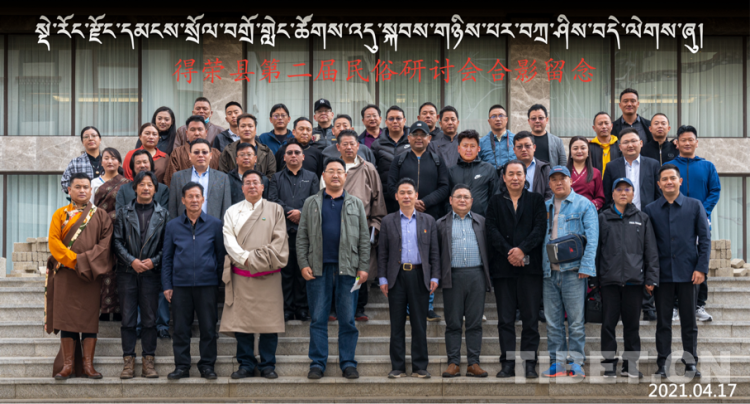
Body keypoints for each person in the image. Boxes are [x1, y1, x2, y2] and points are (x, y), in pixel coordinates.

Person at [297, 158, 371, 380]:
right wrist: (303, 264)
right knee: (318, 318)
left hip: (348, 269)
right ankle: (317, 363)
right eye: (331, 171)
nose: (336, 175)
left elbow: (364, 238)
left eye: (340, 171)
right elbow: (302, 237)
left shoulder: (356, 203)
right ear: (324, 176)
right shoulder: (311, 202)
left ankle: (348, 363)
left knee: (347, 319)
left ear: (345, 176)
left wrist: (363, 266)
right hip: (317, 268)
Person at [221, 170, 289, 380]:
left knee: (269, 322)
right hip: (241, 274)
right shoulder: (232, 211)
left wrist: (254, 260)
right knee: (243, 323)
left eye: (255, 183)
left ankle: (268, 364)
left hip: (269, 276)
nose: (252, 186)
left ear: (262, 187)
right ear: (242, 188)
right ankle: (246, 364)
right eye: (247, 183)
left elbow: (279, 242)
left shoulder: (275, 210)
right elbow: (229, 241)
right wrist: (246, 259)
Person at [644, 164, 710, 378]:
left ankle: (690, 363)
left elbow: (705, 239)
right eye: (664, 179)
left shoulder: (695, 205)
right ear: (659, 184)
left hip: (689, 274)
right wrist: (650, 275)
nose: (669, 182)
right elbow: (647, 245)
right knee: (663, 323)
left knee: (689, 322)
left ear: (680, 181)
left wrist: (701, 268)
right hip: (662, 275)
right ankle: (662, 363)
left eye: (672, 178)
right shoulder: (651, 209)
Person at [46, 172, 114, 380]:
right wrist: (75, 261)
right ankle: (68, 366)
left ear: (91, 190)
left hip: (89, 275)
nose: (82, 190)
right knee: (66, 319)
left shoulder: (101, 215)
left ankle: (88, 366)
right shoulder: (60, 214)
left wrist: (83, 262)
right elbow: (54, 243)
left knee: (88, 320)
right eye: (78, 187)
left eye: (86, 187)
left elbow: (105, 246)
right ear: (69, 190)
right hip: (66, 275)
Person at [486, 160, 547, 379]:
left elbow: (540, 229)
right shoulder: (495, 201)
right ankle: (508, 364)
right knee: (505, 320)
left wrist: (522, 250)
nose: (515, 178)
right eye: (510, 174)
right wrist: (510, 253)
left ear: (525, 176)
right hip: (504, 269)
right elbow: (491, 230)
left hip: (531, 269)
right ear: (503, 178)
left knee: (530, 319)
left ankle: (530, 364)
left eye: (519, 174)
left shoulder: (536, 200)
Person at [595, 177, 659, 379]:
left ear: (633, 194)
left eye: (627, 189)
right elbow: (596, 250)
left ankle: (629, 366)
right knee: (608, 325)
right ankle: (609, 365)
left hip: (634, 282)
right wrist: (594, 279)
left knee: (632, 326)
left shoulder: (642, 218)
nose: (623, 193)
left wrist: (651, 278)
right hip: (609, 281)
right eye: (619, 189)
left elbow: (651, 251)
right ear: (613, 194)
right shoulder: (602, 218)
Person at [162, 182, 226, 380]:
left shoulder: (215, 224)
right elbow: (167, 258)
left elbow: (220, 256)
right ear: (183, 200)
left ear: (203, 199)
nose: (194, 200)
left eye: (197, 196)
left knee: (208, 328)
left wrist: (217, 282)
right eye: (190, 196)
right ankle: (182, 366)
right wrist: (167, 285)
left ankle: (207, 365)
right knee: (181, 329)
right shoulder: (173, 226)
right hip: (180, 285)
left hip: (207, 285)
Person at [321, 130, 386, 322]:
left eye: (353, 144)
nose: (349, 147)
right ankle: (333, 308)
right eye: (345, 144)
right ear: (338, 147)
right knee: (335, 269)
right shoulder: (331, 168)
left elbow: (378, 200)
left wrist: (375, 224)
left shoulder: (368, 169)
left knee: (360, 267)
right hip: (333, 227)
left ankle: (359, 307)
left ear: (358, 146)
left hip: (361, 227)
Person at [379, 178, 440, 378]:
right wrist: (382, 279)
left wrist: (435, 276)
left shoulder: (428, 221)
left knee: (419, 323)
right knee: (396, 324)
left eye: (410, 192)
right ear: (396, 196)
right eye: (402, 193)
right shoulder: (388, 221)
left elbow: (434, 252)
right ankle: (397, 366)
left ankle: (419, 366)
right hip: (396, 277)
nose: (406, 196)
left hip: (420, 275)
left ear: (416, 196)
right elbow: (383, 253)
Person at [541, 166, 598, 378]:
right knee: (553, 322)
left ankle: (576, 363)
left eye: (562, 178)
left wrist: (587, 267)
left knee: (575, 322)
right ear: (549, 183)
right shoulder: (545, 206)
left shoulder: (584, 204)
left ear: (571, 180)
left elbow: (592, 238)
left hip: (574, 272)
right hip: (549, 273)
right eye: (554, 179)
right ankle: (557, 363)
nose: (559, 182)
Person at [113, 171, 169, 379]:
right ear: (135, 187)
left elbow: (167, 245)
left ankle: (148, 361)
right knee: (128, 319)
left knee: (149, 319)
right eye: (142, 184)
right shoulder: (123, 213)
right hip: (127, 272)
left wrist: (153, 261)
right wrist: (132, 261)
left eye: (150, 185)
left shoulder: (164, 215)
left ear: (155, 189)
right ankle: (128, 362)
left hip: (151, 273)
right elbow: (116, 242)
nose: (146, 188)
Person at [665, 125, 721, 322]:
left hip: (700, 221)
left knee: (700, 259)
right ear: (677, 143)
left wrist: (702, 211)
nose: (687, 143)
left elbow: (715, 191)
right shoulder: (670, 166)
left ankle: (699, 305)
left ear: (696, 143)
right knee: (673, 260)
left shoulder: (707, 166)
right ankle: (673, 306)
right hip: (672, 220)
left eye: (691, 140)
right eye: (683, 140)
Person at [437, 185, 491, 378]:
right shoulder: (441, 224)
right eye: (458, 196)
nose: (462, 200)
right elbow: (436, 253)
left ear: (472, 201)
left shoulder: (481, 222)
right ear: (450, 200)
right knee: (453, 322)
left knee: (475, 323)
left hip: (476, 275)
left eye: (466, 197)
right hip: (452, 276)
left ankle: (473, 363)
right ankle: (453, 363)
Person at [268, 139, 320, 321]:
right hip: (283, 232)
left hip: (305, 233)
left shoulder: (312, 177)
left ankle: (302, 308)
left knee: (302, 271)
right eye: (289, 153)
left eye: (297, 153)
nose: (293, 155)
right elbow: (273, 200)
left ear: (303, 157)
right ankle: (287, 308)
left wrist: (301, 213)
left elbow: (315, 200)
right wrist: (291, 212)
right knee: (286, 272)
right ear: (284, 157)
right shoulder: (276, 178)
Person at [91, 148, 129, 322]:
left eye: (114, 158)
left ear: (119, 162)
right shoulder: (93, 183)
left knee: (119, 267)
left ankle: (119, 309)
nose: (110, 161)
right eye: (106, 158)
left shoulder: (126, 183)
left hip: (120, 230)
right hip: (99, 231)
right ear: (101, 162)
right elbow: (89, 208)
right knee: (102, 267)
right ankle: (104, 310)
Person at [387, 120, 450, 221]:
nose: (419, 138)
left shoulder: (437, 161)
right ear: (409, 138)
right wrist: (411, 202)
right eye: (415, 134)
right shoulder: (399, 160)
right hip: (404, 214)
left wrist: (425, 202)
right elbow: (391, 186)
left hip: (431, 215)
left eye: (423, 135)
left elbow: (444, 187)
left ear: (429, 138)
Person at [168, 138, 232, 221]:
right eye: (196, 152)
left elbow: (226, 208)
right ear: (190, 156)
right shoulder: (177, 177)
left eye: (204, 152)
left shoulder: (222, 178)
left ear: (211, 155)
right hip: (184, 226)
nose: (200, 155)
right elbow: (172, 208)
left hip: (213, 227)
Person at [603, 128, 662, 211]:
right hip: (620, 216)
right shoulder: (611, 167)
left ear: (641, 143)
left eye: (633, 141)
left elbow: (659, 194)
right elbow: (607, 196)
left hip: (647, 215)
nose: (630, 145)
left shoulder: (653, 165)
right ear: (620, 147)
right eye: (626, 142)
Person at [447, 130, 498, 215]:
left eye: (472, 146)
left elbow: (495, 197)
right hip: (456, 219)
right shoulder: (451, 171)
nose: (468, 150)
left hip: (482, 219)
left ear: (478, 148)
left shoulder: (488, 169)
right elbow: (446, 199)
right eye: (465, 146)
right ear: (459, 149)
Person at [371, 106, 410, 211]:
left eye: (398, 118)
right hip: (384, 196)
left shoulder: (412, 142)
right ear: (386, 122)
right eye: (391, 119)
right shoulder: (377, 144)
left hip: (408, 196)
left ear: (404, 120)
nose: (395, 121)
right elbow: (373, 170)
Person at [164, 116, 221, 187]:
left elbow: (221, 179)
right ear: (187, 133)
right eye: (192, 130)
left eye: (200, 129)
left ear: (206, 132)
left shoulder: (216, 153)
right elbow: (171, 180)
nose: (196, 133)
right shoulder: (177, 153)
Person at [218, 113, 276, 177]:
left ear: (255, 130)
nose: (247, 129)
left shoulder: (266, 152)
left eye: (250, 126)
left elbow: (271, 176)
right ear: (238, 130)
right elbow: (222, 175)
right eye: (243, 126)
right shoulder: (228, 151)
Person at [116, 150, 169, 217]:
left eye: (145, 162)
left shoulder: (163, 189)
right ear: (133, 167)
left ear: (151, 164)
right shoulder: (124, 189)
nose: (142, 165)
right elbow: (119, 215)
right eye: (138, 163)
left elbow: (164, 216)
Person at [61, 126, 104, 194]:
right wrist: (79, 190)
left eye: (93, 136)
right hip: (83, 200)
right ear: (82, 142)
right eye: (86, 137)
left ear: (100, 140)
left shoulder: (108, 161)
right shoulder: (75, 162)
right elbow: (65, 183)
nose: (90, 139)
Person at [566, 136, 605, 211]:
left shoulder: (596, 172)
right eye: (575, 148)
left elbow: (600, 198)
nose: (579, 151)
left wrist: (587, 205)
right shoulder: (564, 172)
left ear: (588, 151)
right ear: (570, 151)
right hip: (567, 212)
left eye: (583, 148)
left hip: (589, 212)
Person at [511, 132, 552, 200]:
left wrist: (541, 206)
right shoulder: (507, 170)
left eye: (527, 146)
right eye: (519, 147)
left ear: (534, 147)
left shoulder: (545, 169)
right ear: (514, 150)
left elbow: (550, 194)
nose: (523, 149)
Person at [479, 104, 516, 170]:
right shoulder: (481, 142)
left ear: (506, 119)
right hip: (489, 176)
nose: (498, 119)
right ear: (489, 121)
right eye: (493, 116)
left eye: (501, 116)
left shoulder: (516, 140)